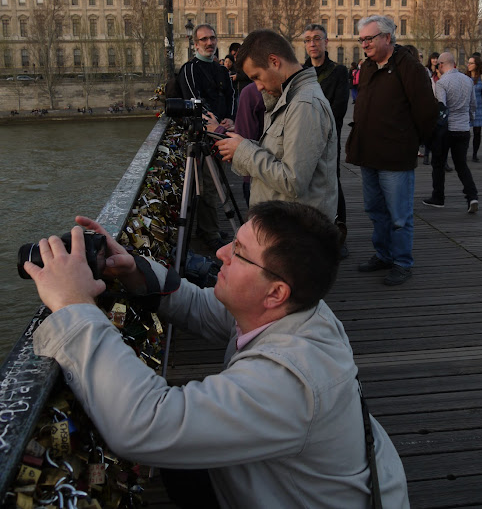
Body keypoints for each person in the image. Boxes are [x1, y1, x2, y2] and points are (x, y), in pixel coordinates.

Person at [26, 202, 409, 509]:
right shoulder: (300, 309)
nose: (221, 252)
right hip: (292, 480)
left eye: (240, 252)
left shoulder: (292, 381)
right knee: (180, 464)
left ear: (275, 292)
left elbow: (146, 424)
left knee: (173, 454)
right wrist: (134, 272)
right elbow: (207, 308)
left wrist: (73, 305)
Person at [345, 15, 437, 286]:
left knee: (399, 216)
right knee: (375, 210)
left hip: (395, 156)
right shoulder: (369, 66)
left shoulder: (409, 66)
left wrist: (410, 140)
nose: (364, 44)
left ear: (387, 37)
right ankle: (383, 255)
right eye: (361, 39)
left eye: (369, 38)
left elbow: (426, 111)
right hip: (368, 152)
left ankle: (401, 262)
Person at [216, 29, 338, 220]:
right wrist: (239, 150)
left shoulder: (304, 105)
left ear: (275, 62)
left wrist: (244, 151)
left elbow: (292, 181)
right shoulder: (290, 98)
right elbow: (279, 155)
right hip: (285, 223)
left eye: (257, 76)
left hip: (295, 231)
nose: (258, 86)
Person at [174, 24, 235, 249]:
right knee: (208, 186)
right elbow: (194, 100)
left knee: (217, 183)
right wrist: (217, 122)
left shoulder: (221, 70)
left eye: (212, 38)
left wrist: (230, 118)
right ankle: (209, 233)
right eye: (204, 40)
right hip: (202, 137)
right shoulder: (190, 69)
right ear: (196, 44)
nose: (210, 43)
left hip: (219, 134)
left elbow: (231, 95)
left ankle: (208, 228)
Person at [303, 24, 350, 252]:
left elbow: (339, 107)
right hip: (303, 138)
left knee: (332, 183)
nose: (312, 43)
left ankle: (338, 234)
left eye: (317, 39)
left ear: (326, 42)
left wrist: (317, 125)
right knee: (308, 184)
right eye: (308, 40)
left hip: (329, 137)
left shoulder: (339, 72)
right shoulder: (300, 72)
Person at [422, 52, 479, 214]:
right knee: (461, 165)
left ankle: (438, 197)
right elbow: (473, 105)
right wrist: (470, 121)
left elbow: (442, 107)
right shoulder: (468, 80)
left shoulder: (442, 83)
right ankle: (472, 196)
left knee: (438, 163)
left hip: (447, 130)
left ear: (441, 65)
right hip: (463, 129)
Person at [465, 56, 482, 161]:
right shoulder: (465, 77)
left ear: (476, 65)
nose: (468, 65)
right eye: (468, 63)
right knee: (465, 132)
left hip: (479, 107)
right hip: (467, 108)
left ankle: (474, 154)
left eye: (471, 63)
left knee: (477, 132)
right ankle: (463, 152)